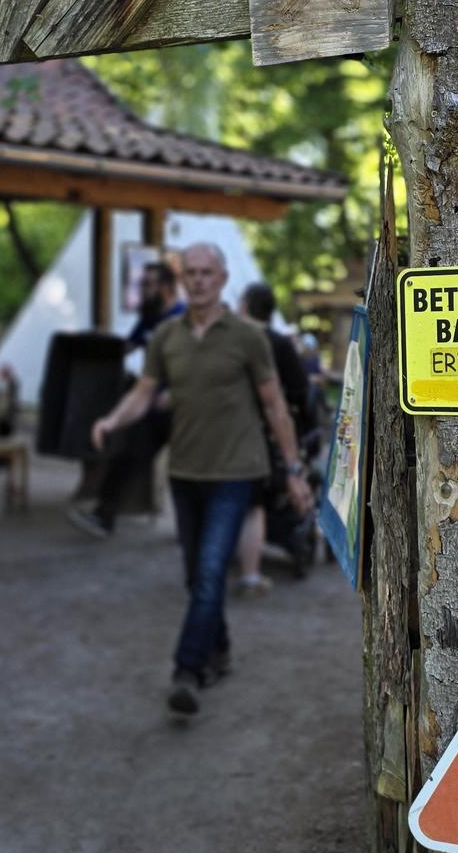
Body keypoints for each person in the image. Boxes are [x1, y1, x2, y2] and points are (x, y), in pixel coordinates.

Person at [89, 244, 312, 715]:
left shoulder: (248, 338)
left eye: (207, 272)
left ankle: (187, 671)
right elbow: (145, 394)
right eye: (190, 273)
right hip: (185, 472)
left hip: (236, 472)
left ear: (223, 277)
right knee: (197, 575)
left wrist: (293, 470)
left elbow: (275, 406)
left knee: (211, 570)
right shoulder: (165, 336)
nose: (199, 280)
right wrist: (112, 420)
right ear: (181, 279)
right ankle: (220, 648)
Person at [67, 262, 183, 538]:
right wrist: (97, 343)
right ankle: (103, 516)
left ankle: (192, 528)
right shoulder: (150, 318)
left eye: (149, 285)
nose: (143, 290)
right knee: (128, 452)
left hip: (182, 407)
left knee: (186, 470)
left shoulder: (183, 318)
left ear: (166, 287)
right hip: (151, 404)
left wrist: (175, 392)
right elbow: (128, 346)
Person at [234, 282, 316, 595]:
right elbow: (299, 390)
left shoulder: (238, 338)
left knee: (250, 504)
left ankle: (249, 571)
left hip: (244, 431)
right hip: (274, 435)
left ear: (245, 306)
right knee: (252, 504)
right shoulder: (280, 343)